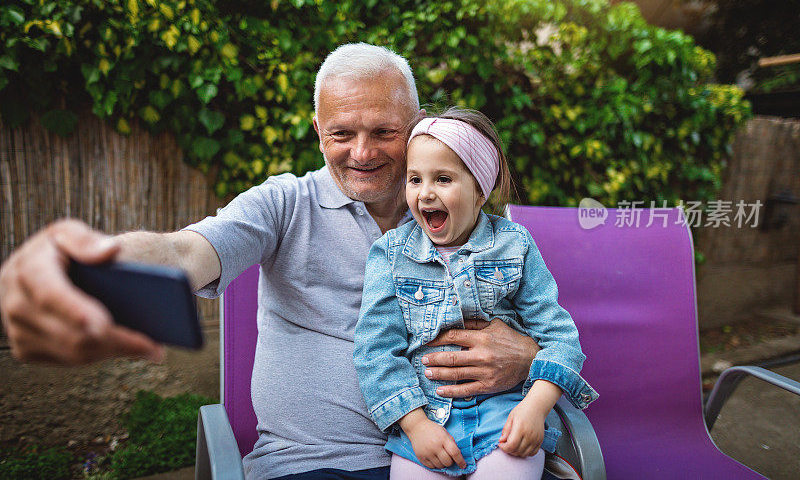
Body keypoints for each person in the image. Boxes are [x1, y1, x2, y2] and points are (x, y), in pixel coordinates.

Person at [0, 44, 544, 479]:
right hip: (314, 465)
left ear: (420, 123)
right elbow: (185, 250)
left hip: (461, 452)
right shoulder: (284, 205)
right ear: (317, 130)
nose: (362, 152)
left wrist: (528, 358)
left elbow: (541, 322)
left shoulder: (470, 220)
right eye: (341, 133)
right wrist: (97, 268)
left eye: (384, 131)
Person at [353, 108, 598, 479]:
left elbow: (561, 338)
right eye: (415, 179)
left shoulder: (515, 246)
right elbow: (375, 350)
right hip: (425, 425)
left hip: (506, 417)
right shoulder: (390, 254)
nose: (425, 193)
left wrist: (534, 409)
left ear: (481, 191)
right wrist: (416, 426)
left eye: (443, 178)